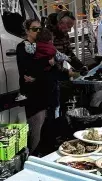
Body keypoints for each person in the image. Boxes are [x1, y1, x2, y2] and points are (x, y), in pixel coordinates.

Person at [16, 19, 70, 156]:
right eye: (34, 29)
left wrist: (63, 72)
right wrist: (48, 63)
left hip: (50, 93)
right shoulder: (23, 47)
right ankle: (34, 160)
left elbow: (52, 70)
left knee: (50, 129)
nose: (38, 31)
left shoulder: (45, 45)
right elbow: (28, 68)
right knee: (36, 131)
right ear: (27, 30)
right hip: (35, 96)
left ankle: (48, 157)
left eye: (40, 29)